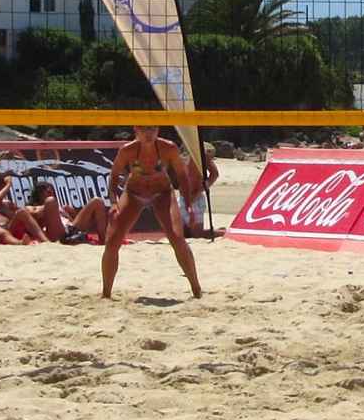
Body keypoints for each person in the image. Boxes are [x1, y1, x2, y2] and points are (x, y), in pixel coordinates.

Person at [102, 126, 202, 299]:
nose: (148, 133)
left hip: (162, 192)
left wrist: (187, 203)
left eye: (152, 129)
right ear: (136, 131)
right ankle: (106, 294)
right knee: (112, 242)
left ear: (158, 130)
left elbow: (182, 175)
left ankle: (196, 289)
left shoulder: (168, 148)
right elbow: (113, 176)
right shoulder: (128, 150)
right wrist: (113, 203)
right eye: (144, 129)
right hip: (134, 193)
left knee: (177, 238)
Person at [27, 180, 110, 244]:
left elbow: (72, 222)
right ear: (38, 194)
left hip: (70, 229)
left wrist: (68, 214)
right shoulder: (33, 207)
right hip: (56, 233)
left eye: (51, 189)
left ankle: (103, 240)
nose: (49, 190)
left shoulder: (62, 207)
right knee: (50, 201)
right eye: (45, 189)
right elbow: (33, 216)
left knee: (97, 201)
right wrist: (46, 208)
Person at [0, 173, 48, 244]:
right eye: (1, 185)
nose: (3, 187)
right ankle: (20, 243)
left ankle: (44, 240)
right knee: (0, 231)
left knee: (23, 212)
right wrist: (8, 184)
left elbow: (17, 215)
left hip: (8, 228)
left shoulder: (6, 203)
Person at [176, 148, 220, 238]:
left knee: (197, 234)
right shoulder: (179, 152)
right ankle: (217, 231)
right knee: (182, 234)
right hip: (182, 198)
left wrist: (199, 190)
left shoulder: (201, 155)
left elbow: (214, 174)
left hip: (195, 199)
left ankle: (224, 233)